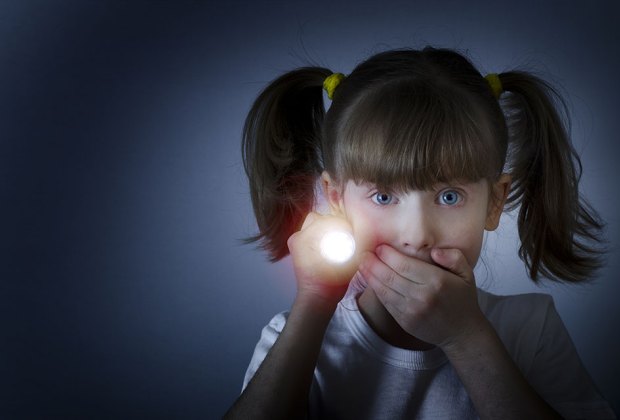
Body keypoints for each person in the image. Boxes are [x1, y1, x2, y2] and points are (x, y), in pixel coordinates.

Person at [224, 47, 616, 419]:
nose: (417, 235)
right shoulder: (296, 334)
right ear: (337, 200)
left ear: (494, 202)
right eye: (382, 196)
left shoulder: (531, 328)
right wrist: (313, 302)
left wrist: (464, 336)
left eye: (448, 196)